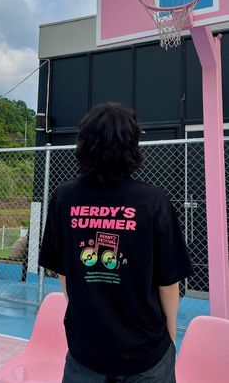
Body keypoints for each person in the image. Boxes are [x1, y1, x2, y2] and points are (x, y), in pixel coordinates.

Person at [39, 102, 193, 383]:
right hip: (145, 355)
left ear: (84, 144)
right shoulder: (152, 201)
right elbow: (169, 284)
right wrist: (169, 335)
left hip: (86, 351)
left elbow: (62, 270)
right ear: (132, 146)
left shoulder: (65, 197)